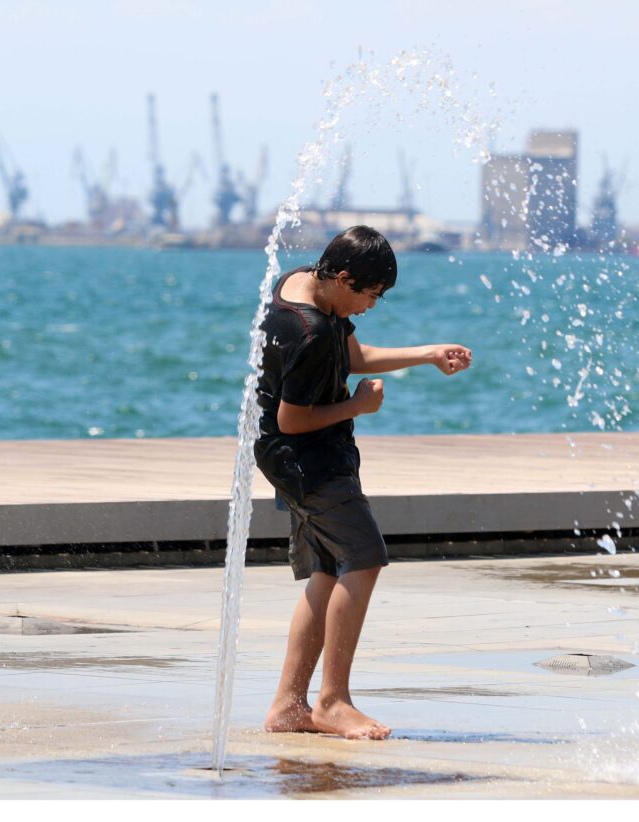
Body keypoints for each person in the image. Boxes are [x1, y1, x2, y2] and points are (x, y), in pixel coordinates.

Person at [255, 225, 472, 740]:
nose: (371, 306)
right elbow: (293, 419)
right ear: (344, 277)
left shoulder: (305, 283)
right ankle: (332, 702)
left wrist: (427, 353)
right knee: (365, 556)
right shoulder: (307, 329)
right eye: (369, 295)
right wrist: (357, 406)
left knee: (328, 568)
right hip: (307, 459)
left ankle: (288, 706)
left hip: (292, 458)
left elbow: (352, 356)